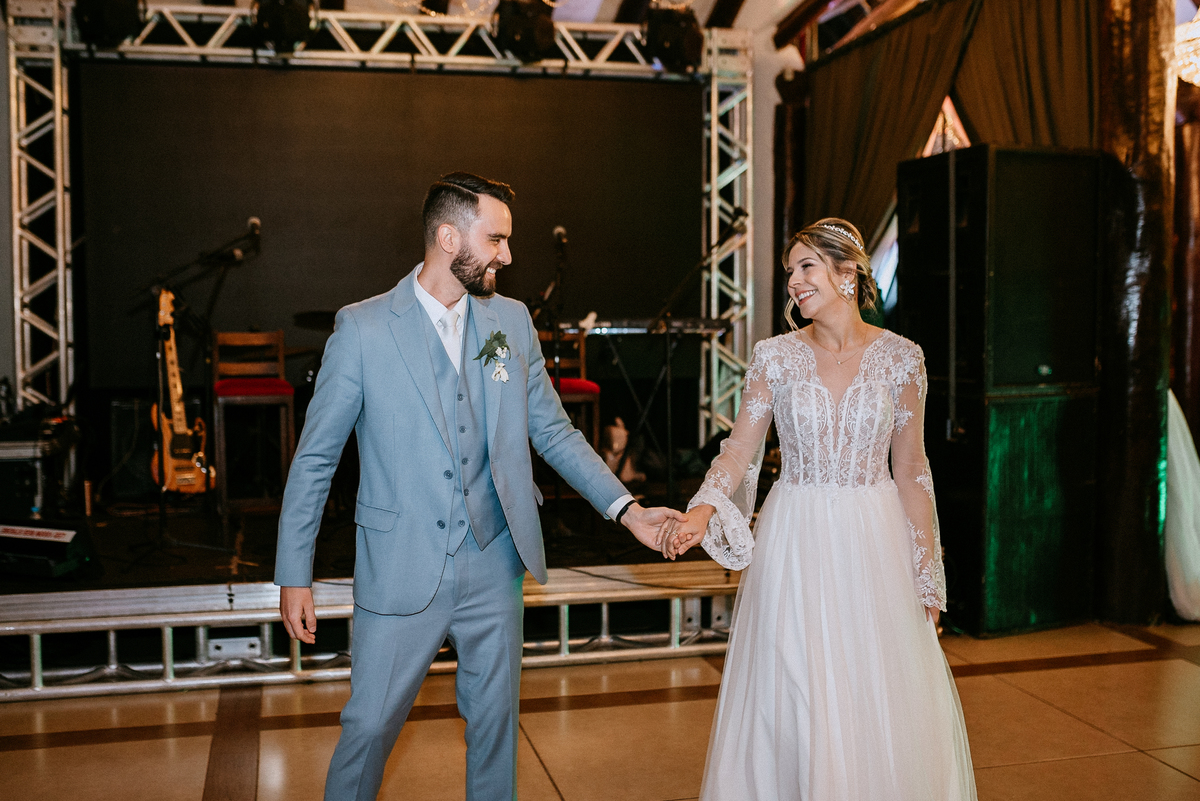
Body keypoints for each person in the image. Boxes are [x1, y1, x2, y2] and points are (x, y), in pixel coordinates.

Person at [274, 172, 685, 801]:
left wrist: (627, 510)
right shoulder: (362, 329)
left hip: (495, 561)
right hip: (400, 563)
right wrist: (294, 573)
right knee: (369, 728)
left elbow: (554, 432)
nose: (508, 256)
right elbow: (314, 459)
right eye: (496, 239)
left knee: (495, 732)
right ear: (448, 238)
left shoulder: (510, 322)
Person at [662, 218, 976, 799]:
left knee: (869, 685)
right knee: (795, 685)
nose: (794, 282)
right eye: (790, 271)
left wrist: (926, 572)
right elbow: (738, 451)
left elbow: (912, 469)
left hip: (873, 540)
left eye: (806, 267)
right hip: (795, 536)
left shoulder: (902, 358)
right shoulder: (774, 357)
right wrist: (703, 510)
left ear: (847, 272)